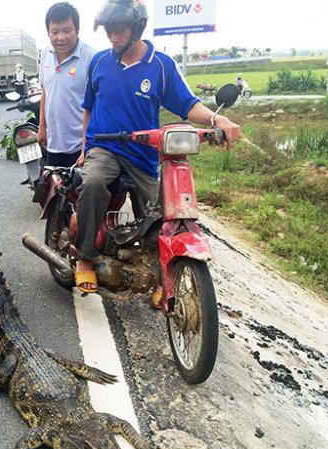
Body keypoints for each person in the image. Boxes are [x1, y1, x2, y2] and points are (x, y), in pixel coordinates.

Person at [74, 0, 241, 297]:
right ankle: (85, 256)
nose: (113, 38)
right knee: (94, 181)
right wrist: (86, 145)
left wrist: (218, 118)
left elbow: (189, 105)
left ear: (137, 27)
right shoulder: (100, 61)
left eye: (119, 30)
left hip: (143, 154)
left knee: (162, 215)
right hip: (106, 146)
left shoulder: (161, 66)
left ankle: (159, 271)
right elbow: (89, 108)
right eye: (109, 31)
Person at [38, 2, 95, 168]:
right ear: (48, 32)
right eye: (54, 32)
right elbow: (45, 92)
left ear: (77, 29)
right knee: (54, 191)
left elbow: (97, 104)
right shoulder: (45, 54)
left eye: (67, 30)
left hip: (82, 146)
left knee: (80, 192)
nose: (60, 37)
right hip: (54, 144)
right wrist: (42, 127)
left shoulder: (91, 58)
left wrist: (87, 145)